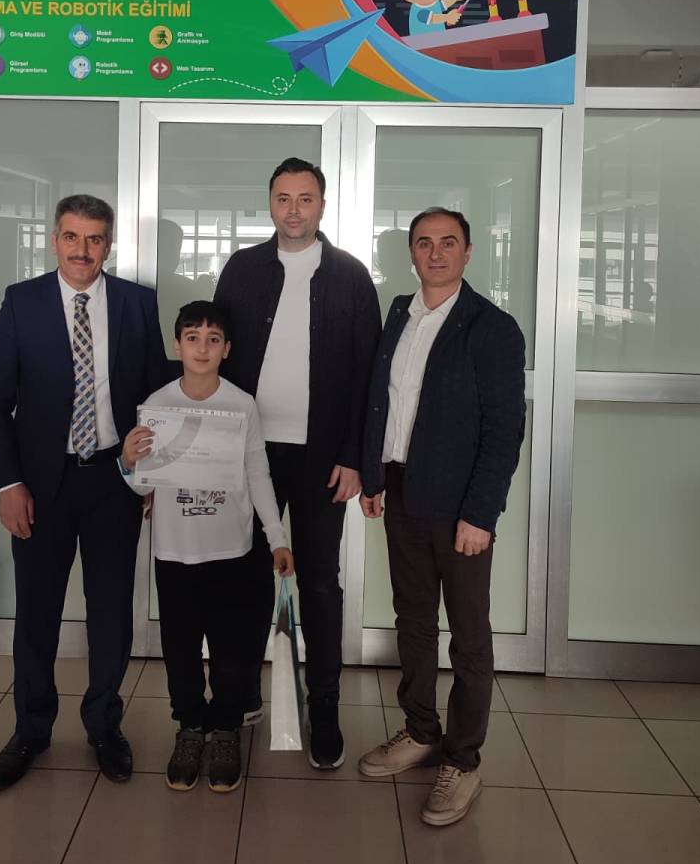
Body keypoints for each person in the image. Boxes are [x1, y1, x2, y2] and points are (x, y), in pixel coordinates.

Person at [0, 194, 167, 791]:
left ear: (108, 244)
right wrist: (9, 483)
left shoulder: (137, 303)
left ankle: (104, 725)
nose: (81, 250)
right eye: (70, 237)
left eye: (93, 239)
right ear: (54, 239)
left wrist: (147, 475)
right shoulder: (22, 302)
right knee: (37, 612)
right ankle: (31, 729)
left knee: (110, 611)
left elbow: (154, 397)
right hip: (41, 484)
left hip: (114, 480)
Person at [357, 207, 525, 826]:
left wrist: (481, 513)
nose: (435, 253)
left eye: (448, 242)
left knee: (470, 634)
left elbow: (504, 430)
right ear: (411, 252)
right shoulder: (400, 313)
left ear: (468, 252)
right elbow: (383, 402)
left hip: (460, 507)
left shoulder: (492, 327)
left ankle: (463, 758)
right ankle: (421, 731)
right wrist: (373, 476)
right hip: (402, 489)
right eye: (424, 243)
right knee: (414, 618)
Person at [213, 157, 381, 769]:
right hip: (249, 452)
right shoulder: (242, 269)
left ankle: (325, 708)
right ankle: (243, 694)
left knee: (318, 582)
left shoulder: (350, 276)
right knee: (246, 577)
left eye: (305, 198)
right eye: (283, 198)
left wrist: (356, 458)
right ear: (270, 204)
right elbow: (215, 357)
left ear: (322, 205)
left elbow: (369, 377)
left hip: (323, 459)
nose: (293, 209)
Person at [122, 300, 294, 793]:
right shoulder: (157, 405)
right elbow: (141, 486)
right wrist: (129, 462)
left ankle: (225, 730)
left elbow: (257, 474)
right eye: (192, 338)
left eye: (213, 339)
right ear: (177, 345)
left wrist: (276, 537)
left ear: (227, 349)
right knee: (179, 647)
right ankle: (190, 727)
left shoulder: (241, 405)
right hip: (175, 552)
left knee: (230, 648)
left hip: (231, 551)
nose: (202, 348)